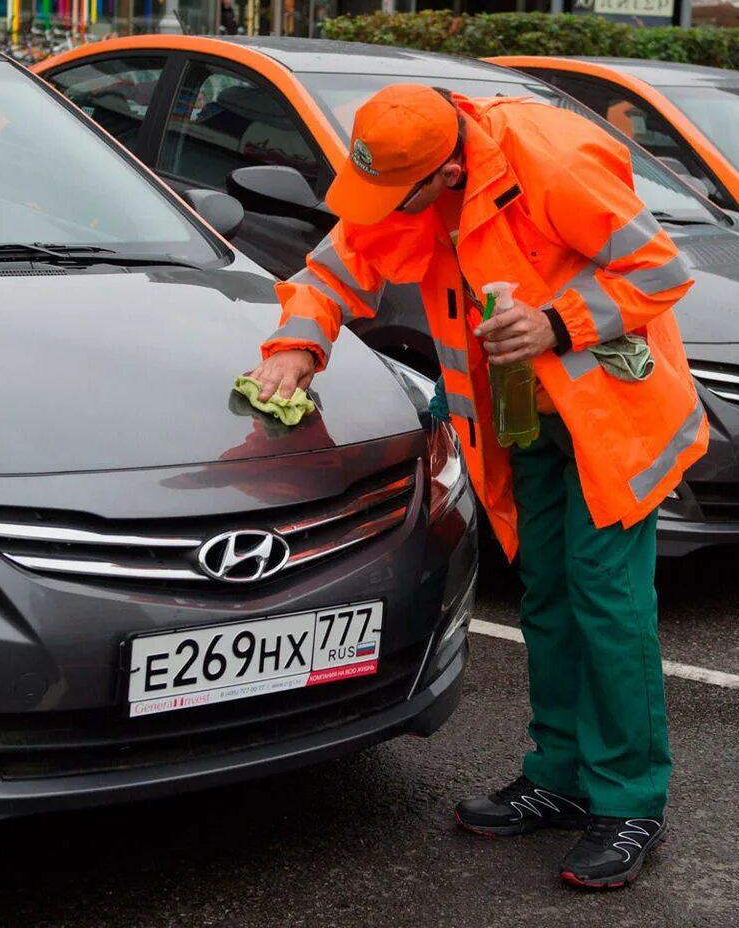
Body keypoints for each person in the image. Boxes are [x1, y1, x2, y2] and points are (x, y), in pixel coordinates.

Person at [244, 84, 704, 890]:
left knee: (608, 603)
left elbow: (663, 267)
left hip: (606, 419)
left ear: (448, 170)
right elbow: (333, 269)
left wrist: (559, 323)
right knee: (550, 598)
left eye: (397, 197)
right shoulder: (410, 175)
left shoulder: (551, 163)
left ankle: (631, 802)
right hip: (521, 419)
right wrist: (295, 347)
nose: (382, 210)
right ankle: (558, 778)